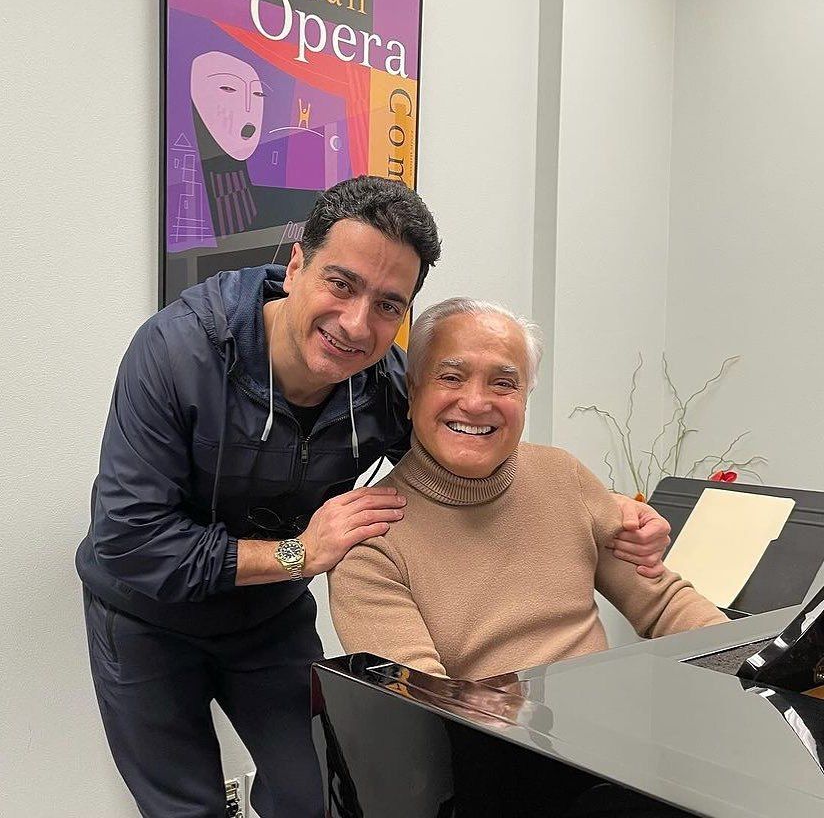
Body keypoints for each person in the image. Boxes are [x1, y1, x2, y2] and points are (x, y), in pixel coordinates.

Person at [77, 177, 671, 818]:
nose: (356, 324)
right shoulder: (178, 352)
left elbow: (468, 448)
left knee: (322, 796)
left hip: (266, 618)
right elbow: (130, 540)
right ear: (296, 264)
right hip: (147, 615)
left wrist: (609, 510)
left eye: (388, 304)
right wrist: (298, 555)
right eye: (341, 284)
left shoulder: (383, 385)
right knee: (184, 809)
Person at [329, 298, 728, 682]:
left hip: (608, 715)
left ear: (525, 398)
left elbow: (665, 603)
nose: (475, 403)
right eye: (451, 378)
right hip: (485, 728)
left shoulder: (564, 476)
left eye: (503, 384)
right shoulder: (370, 538)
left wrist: (749, 669)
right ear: (413, 392)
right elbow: (423, 701)